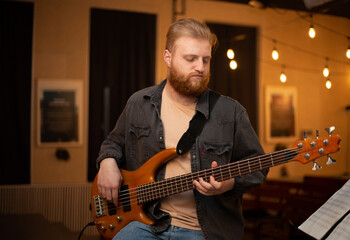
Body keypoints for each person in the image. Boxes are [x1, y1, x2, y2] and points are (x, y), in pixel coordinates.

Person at [96, 18, 268, 240]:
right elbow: (113, 143)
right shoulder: (140, 103)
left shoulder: (230, 112)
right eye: (191, 59)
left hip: (204, 231)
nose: (200, 67)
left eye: (206, 60)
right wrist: (107, 162)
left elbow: (259, 166)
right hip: (146, 223)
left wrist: (230, 183)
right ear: (168, 57)